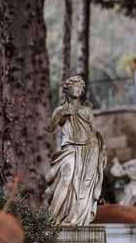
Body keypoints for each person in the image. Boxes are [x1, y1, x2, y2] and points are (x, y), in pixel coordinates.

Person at [45, 76, 106, 225]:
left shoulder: (86, 110)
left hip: (89, 148)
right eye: (75, 86)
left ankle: (75, 218)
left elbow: (94, 131)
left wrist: (100, 151)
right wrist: (61, 114)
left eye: (81, 87)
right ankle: (51, 219)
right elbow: (50, 127)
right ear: (67, 89)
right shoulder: (61, 110)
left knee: (83, 186)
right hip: (70, 148)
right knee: (67, 178)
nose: (79, 89)